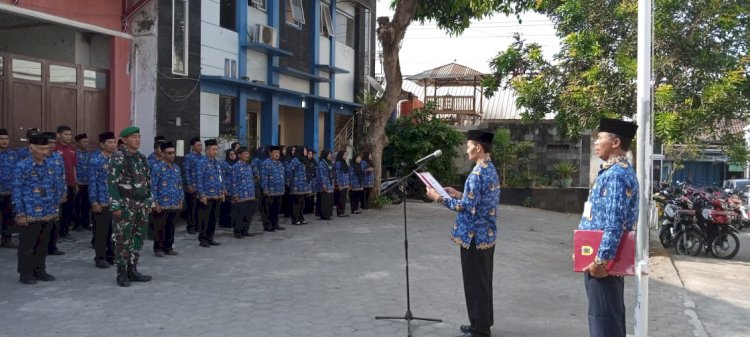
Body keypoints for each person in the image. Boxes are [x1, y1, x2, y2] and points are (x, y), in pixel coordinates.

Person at [426, 130, 501, 337]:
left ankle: (479, 330)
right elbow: (479, 201)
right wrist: (458, 193)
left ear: (478, 147)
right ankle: (482, 322)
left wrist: (438, 197)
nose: (466, 149)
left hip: (474, 237)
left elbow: (465, 208)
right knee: (483, 282)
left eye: (468, 145)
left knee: (475, 284)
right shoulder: (489, 169)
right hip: (486, 235)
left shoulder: (477, 173)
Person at [578, 118, 639, 337]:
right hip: (596, 258)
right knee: (604, 317)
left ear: (615, 142)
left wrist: (601, 261)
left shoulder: (616, 175)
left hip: (603, 263)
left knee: (604, 321)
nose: (596, 142)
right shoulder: (611, 171)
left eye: (600, 138)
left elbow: (614, 222)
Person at [108, 126, 154, 287]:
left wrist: (149, 200)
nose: (138, 140)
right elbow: (112, 183)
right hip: (126, 205)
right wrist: (116, 205)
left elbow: (147, 181)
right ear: (125, 140)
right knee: (122, 238)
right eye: (134, 137)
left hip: (141, 205)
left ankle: (132, 269)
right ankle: (121, 272)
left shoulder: (142, 158)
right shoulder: (118, 157)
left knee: (138, 237)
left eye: (139, 137)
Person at [13, 132, 60, 284]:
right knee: (27, 245)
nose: (45, 152)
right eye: (41, 149)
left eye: (46, 148)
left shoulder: (50, 165)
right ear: (31, 148)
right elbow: (17, 191)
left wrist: (55, 209)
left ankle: (40, 270)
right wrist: (20, 213)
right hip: (29, 212)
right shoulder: (22, 166)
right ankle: (25, 273)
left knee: (43, 243)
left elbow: (54, 188)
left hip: (47, 211)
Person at [150, 141, 184, 257]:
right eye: (169, 153)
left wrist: (181, 200)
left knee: (171, 227)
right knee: (160, 227)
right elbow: (153, 186)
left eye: (173, 153)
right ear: (163, 154)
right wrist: (154, 203)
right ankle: (158, 248)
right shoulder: (157, 168)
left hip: (174, 203)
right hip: (161, 203)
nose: (172, 155)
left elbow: (180, 185)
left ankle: (168, 247)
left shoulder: (176, 168)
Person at [89, 132, 117, 269]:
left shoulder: (118, 160)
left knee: (114, 231)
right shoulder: (96, 160)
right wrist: (94, 202)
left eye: (114, 142)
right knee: (101, 232)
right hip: (102, 201)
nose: (113, 145)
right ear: (102, 145)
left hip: (116, 201)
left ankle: (112, 256)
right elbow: (92, 182)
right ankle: (100, 257)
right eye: (109, 142)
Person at [195, 139, 225, 247]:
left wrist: (222, 192)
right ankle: (203, 239)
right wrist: (202, 194)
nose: (216, 151)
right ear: (207, 150)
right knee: (204, 219)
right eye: (213, 149)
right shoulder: (201, 162)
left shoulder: (217, 163)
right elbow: (199, 179)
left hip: (216, 195)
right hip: (206, 196)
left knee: (213, 218)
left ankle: (210, 237)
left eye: (216, 149)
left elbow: (220, 178)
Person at [44, 132, 67, 256]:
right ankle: (43, 247)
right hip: (44, 197)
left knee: (55, 223)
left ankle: (53, 246)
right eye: (49, 142)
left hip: (57, 196)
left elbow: (62, 175)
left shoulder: (58, 156)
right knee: (44, 224)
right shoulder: (40, 157)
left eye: (54, 142)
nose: (52, 145)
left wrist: (63, 192)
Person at [54, 126, 78, 241]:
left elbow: (74, 167)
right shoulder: (54, 149)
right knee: (58, 210)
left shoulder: (72, 149)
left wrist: (75, 182)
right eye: (66, 134)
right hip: (58, 185)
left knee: (69, 209)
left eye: (70, 134)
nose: (69, 137)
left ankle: (65, 231)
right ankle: (56, 233)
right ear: (58, 135)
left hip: (71, 184)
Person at [229, 147, 256, 238]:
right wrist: (235, 195)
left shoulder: (249, 166)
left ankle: (245, 230)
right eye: (244, 153)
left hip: (250, 194)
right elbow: (233, 182)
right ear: (239, 155)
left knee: (248, 214)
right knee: (240, 214)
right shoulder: (235, 167)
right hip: (240, 195)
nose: (246, 155)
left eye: (247, 153)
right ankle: (238, 232)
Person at [0, 128, 19, 248]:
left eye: (6, 139)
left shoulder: (13, 154)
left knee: (8, 216)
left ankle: (7, 240)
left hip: (10, 191)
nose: (4, 141)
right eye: (1, 139)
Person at [261, 146, 285, 231]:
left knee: (276, 208)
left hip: (279, 190)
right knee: (268, 209)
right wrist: (265, 188)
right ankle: (268, 225)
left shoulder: (280, 163)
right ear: (270, 153)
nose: (277, 154)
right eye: (275, 153)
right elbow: (264, 177)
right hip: (270, 190)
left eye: (278, 153)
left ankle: (275, 224)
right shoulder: (266, 163)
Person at [287, 146, 312, 225]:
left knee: (302, 203)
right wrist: (290, 181)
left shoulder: (304, 160)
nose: (306, 152)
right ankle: (295, 219)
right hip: (296, 185)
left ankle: (301, 217)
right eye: (304, 150)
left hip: (304, 185)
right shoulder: (295, 160)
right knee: (296, 203)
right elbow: (289, 171)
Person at [183, 137, 203, 234]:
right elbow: (187, 171)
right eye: (198, 145)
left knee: (200, 207)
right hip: (192, 186)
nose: (200, 147)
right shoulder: (188, 157)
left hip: (201, 187)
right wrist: (189, 185)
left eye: (201, 145)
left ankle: (198, 226)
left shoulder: (203, 157)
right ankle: (191, 226)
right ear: (192, 147)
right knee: (192, 207)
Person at [73, 133, 92, 231]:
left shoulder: (90, 154)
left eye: (87, 141)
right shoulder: (74, 154)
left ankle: (86, 223)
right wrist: (75, 182)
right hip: (78, 182)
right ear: (78, 143)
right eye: (84, 142)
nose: (86, 143)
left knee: (87, 203)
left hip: (88, 182)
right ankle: (77, 223)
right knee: (77, 204)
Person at [219, 149, 237, 228]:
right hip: (227, 187)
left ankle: (233, 221)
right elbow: (222, 177)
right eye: (231, 154)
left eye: (234, 154)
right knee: (226, 205)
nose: (233, 156)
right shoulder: (224, 164)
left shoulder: (237, 164)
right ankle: (225, 222)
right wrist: (224, 188)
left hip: (235, 187)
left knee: (234, 205)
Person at [316, 149, 334, 221]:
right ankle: (324, 215)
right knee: (325, 200)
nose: (330, 156)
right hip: (324, 183)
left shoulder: (329, 162)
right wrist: (324, 184)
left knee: (329, 199)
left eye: (330, 154)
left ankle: (328, 214)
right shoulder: (322, 163)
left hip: (329, 183)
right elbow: (321, 174)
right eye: (329, 154)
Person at [333, 150, 351, 217]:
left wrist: (348, 183)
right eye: (345, 155)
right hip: (341, 183)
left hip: (345, 183)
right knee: (340, 198)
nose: (346, 156)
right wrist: (338, 184)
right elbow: (337, 174)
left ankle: (342, 212)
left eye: (346, 155)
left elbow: (347, 173)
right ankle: (339, 212)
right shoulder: (338, 163)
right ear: (341, 155)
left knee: (344, 198)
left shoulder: (344, 162)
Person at [305, 150, 318, 215]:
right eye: (309, 154)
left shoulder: (314, 161)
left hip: (313, 180)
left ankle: (311, 208)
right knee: (307, 195)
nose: (310, 155)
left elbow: (316, 169)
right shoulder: (305, 161)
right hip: (307, 180)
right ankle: (306, 209)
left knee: (312, 195)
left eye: (311, 154)